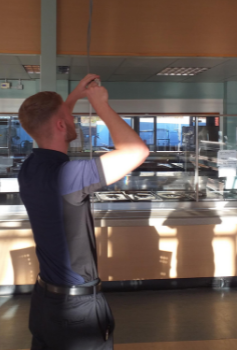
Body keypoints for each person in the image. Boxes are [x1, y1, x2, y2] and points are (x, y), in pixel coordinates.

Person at [16, 74, 150, 349]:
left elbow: (52, 120)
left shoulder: (29, 168)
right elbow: (136, 151)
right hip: (74, 309)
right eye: (72, 116)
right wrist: (100, 105)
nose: (75, 120)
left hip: (45, 302)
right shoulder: (67, 177)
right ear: (61, 124)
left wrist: (74, 98)